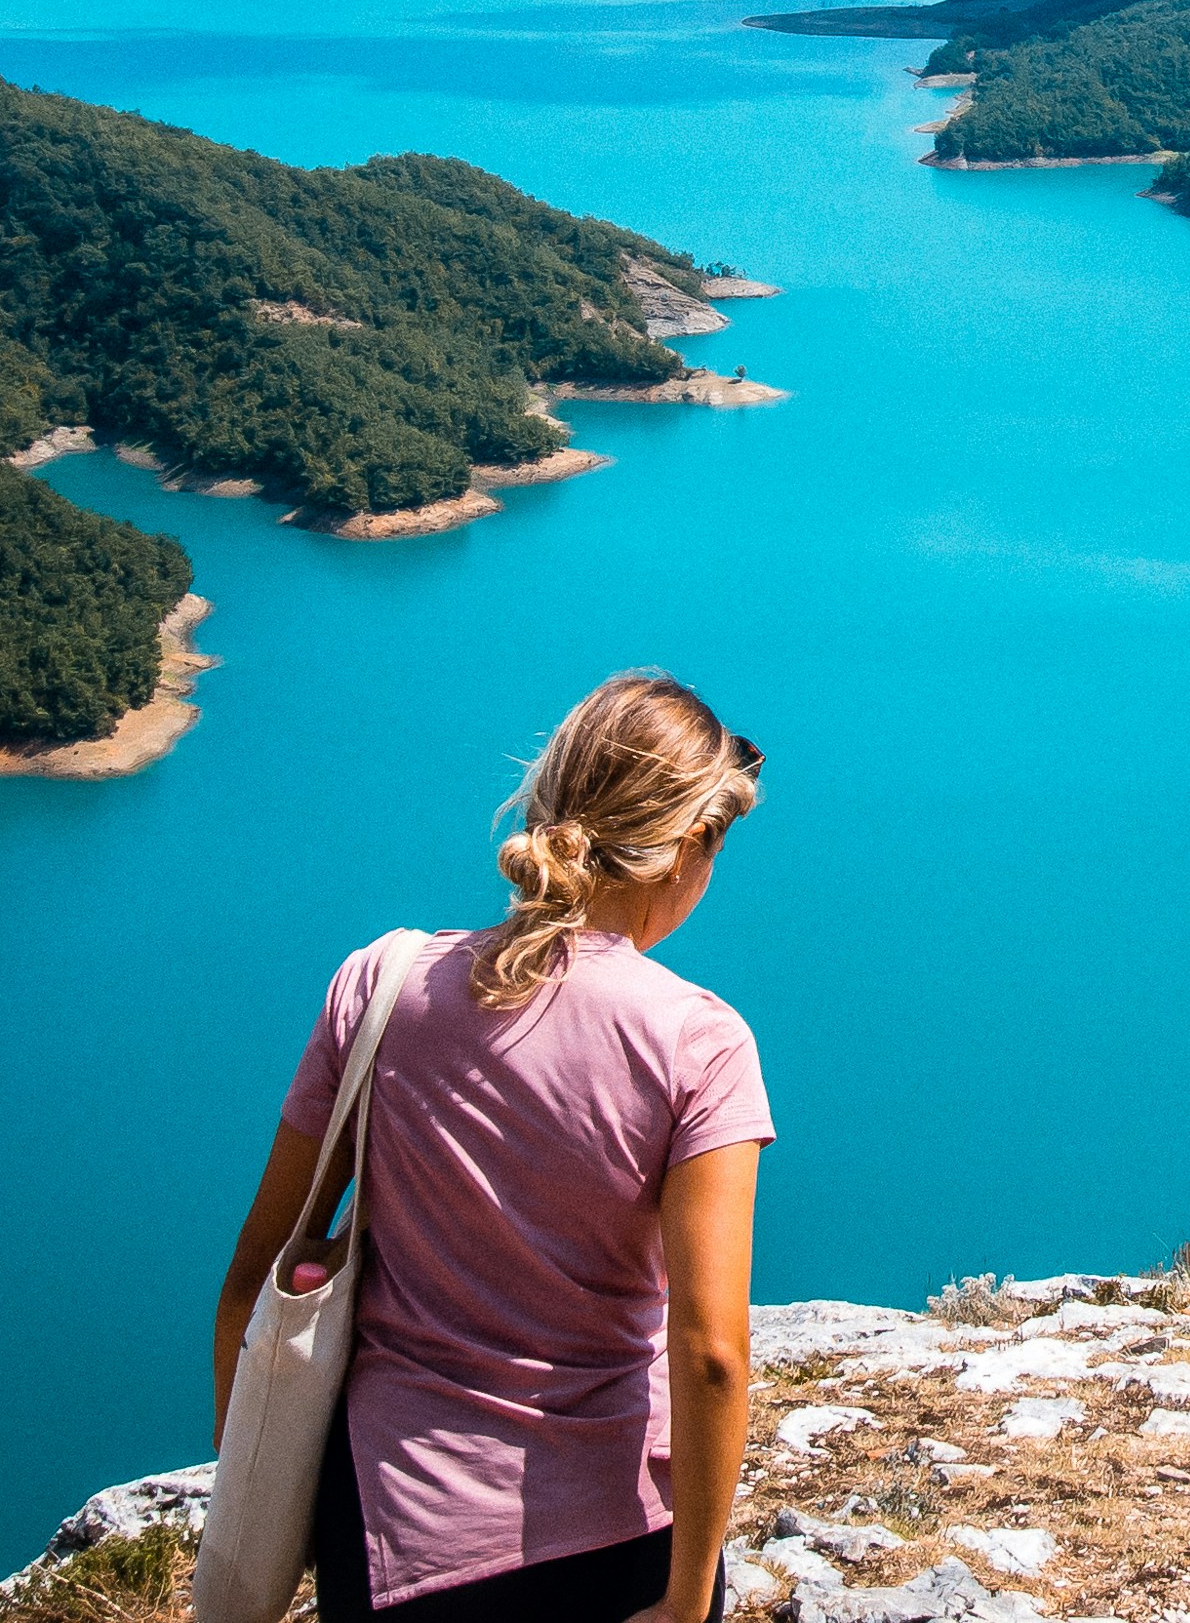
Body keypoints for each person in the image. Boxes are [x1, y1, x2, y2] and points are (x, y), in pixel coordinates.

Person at [213, 674, 771, 1623]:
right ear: (688, 846)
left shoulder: (379, 984)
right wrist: (685, 1603)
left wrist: (255, 1493)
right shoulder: (699, 1041)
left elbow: (258, 1272)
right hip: (609, 1534)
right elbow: (712, 1351)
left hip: (389, 1525)